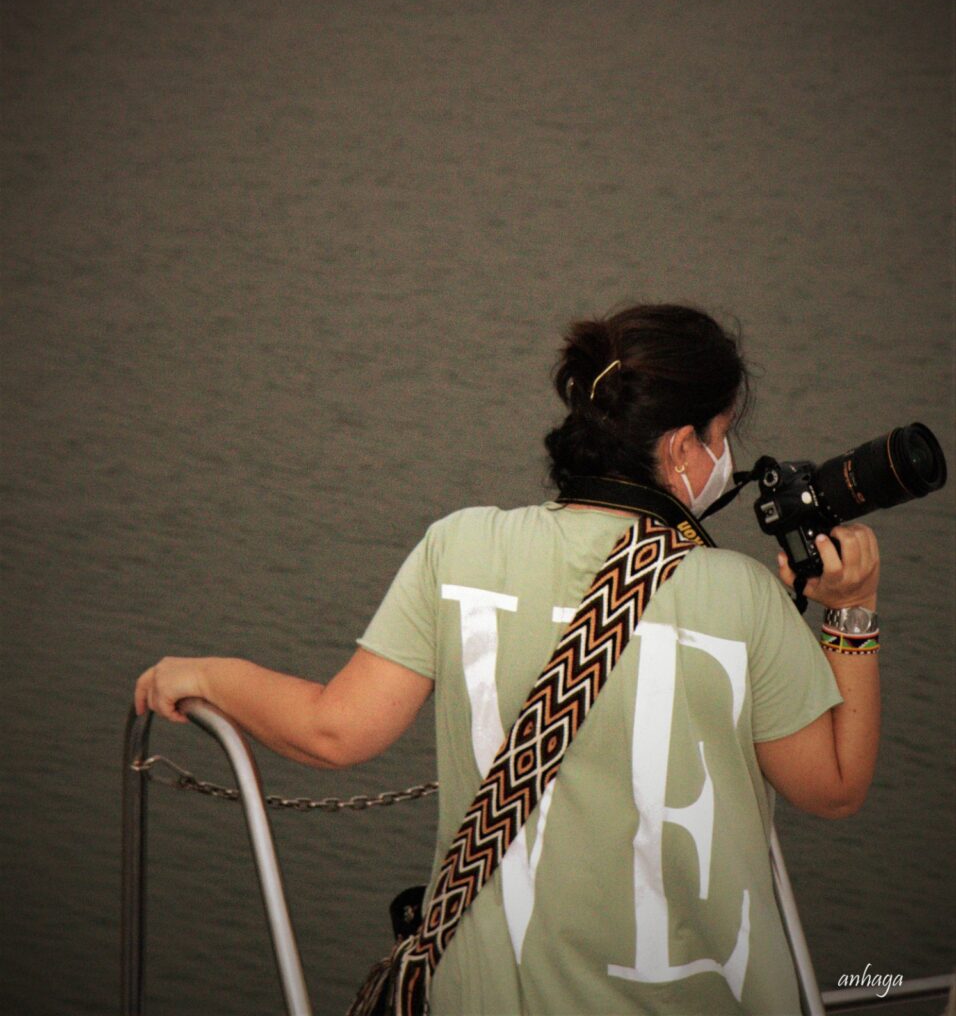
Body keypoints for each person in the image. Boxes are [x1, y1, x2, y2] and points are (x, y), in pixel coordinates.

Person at [136, 303, 881, 1015]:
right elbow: (835, 788)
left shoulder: (460, 548)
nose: (727, 459)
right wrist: (852, 610)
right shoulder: (744, 596)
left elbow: (335, 731)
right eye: (721, 437)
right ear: (682, 448)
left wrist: (205, 675)